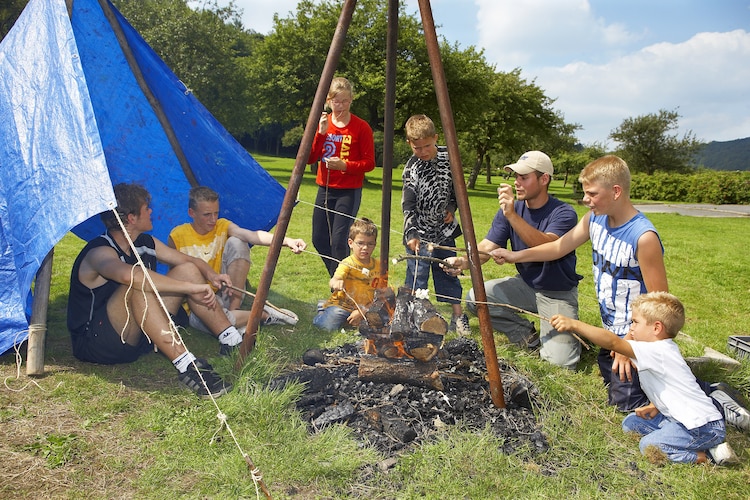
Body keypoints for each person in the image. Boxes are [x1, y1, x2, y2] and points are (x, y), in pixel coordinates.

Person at [491, 155, 750, 431]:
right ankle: (678, 372)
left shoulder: (643, 237)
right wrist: (514, 254)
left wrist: (628, 346)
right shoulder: (594, 219)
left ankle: (715, 396)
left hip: (637, 337)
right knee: (622, 385)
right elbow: (558, 248)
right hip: (612, 335)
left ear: (616, 192)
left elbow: (660, 303)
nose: (586, 200)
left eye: (592, 193)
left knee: (628, 405)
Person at [67, 183, 234, 398]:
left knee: (188, 270)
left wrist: (211, 275)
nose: (151, 211)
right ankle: (187, 367)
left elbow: (188, 260)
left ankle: (231, 340)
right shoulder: (99, 252)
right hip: (99, 342)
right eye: (147, 208)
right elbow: (132, 276)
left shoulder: (144, 242)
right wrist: (191, 288)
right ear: (131, 218)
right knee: (137, 284)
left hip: (138, 335)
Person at [550, 292, 738, 465]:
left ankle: (709, 456)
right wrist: (654, 406)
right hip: (682, 419)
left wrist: (575, 324)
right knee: (631, 424)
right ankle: (680, 438)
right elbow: (673, 390)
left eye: (635, 323)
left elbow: (613, 342)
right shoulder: (661, 350)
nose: (631, 328)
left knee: (649, 446)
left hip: (703, 427)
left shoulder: (657, 350)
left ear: (656, 327)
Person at [444, 151, 582, 369]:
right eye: (516, 176)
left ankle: (567, 334)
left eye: (524, 177)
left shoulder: (563, 212)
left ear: (544, 179)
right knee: (475, 298)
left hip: (558, 294)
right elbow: (489, 246)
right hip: (525, 285)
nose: (517, 182)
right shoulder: (512, 210)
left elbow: (547, 245)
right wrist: (464, 261)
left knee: (560, 363)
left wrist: (512, 216)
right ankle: (526, 335)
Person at [168, 186, 306, 343]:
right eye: (207, 215)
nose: (213, 219)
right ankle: (262, 314)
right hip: (198, 303)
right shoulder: (177, 236)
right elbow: (177, 276)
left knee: (238, 242)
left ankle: (235, 311)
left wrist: (287, 241)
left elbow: (252, 235)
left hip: (226, 292)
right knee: (211, 322)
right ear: (191, 213)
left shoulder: (222, 225)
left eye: (216, 213)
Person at [401, 114, 469, 336]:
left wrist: (451, 209)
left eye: (427, 146)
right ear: (409, 143)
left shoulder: (449, 160)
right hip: (418, 231)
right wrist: (411, 231)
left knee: (448, 271)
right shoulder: (411, 168)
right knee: (417, 276)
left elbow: (457, 193)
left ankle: (458, 315)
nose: (422, 151)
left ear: (436, 138)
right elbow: (408, 204)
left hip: (444, 230)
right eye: (417, 147)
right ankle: (414, 316)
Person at [307, 77, 376, 277]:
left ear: (351, 100)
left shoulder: (361, 127)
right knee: (318, 239)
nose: (340, 106)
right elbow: (309, 158)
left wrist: (344, 165)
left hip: (348, 191)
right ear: (328, 101)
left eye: (345, 101)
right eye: (336, 101)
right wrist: (320, 133)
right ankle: (342, 278)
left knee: (339, 241)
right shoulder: (322, 123)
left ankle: (340, 287)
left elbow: (369, 163)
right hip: (325, 189)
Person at [313, 218, 381, 331]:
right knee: (327, 326)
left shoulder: (378, 266)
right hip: (343, 305)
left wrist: (362, 311)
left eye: (370, 244)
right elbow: (336, 278)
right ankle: (323, 310)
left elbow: (383, 293)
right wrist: (336, 283)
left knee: (383, 320)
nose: (365, 248)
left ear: (375, 244)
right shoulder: (347, 263)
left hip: (366, 307)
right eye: (360, 243)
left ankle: (355, 318)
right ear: (350, 243)